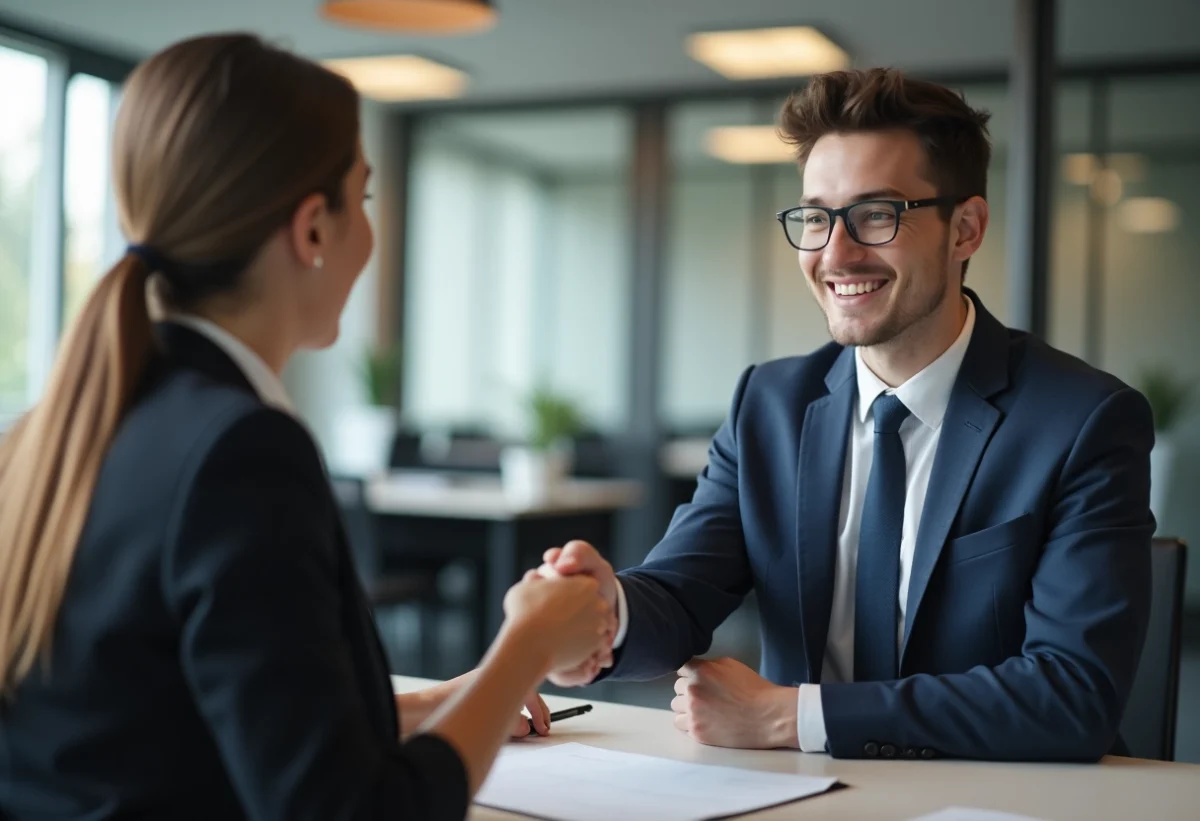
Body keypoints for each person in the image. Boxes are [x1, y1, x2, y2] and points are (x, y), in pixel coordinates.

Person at [0, 33, 612, 821]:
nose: (368, 228)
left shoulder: (55, 433)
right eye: (361, 197)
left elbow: (197, 730)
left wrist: (455, 701)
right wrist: (525, 643)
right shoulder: (240, 452)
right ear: (312, 230)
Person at [540, 68, 1154, 762]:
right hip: (797, 797)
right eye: (815, 216)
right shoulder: (768, 404)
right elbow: (681, 590)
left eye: (876, 214)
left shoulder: (1083, 421)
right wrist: (603, 613)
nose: (835, 252)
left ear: (966, 229)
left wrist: (791, 715)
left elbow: (1072, 696)